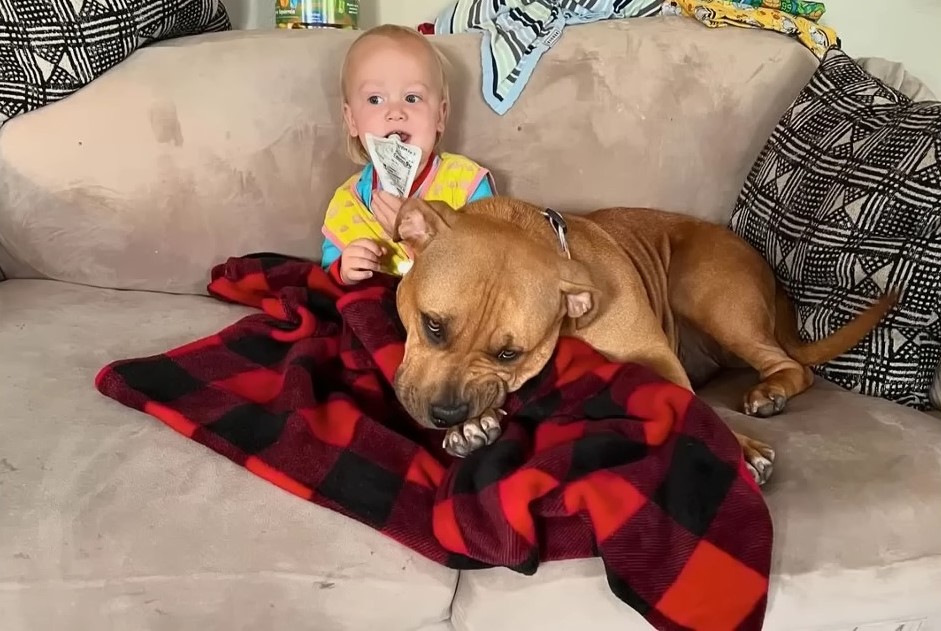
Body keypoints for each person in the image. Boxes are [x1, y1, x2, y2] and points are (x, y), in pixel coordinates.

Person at [321, 24, 496, 285]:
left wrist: (422, 238)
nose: (395, 112)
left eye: (412, 98)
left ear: (440, 115)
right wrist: (344, 271)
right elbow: (326, 277)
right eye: (375, 100)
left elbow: (489, 261)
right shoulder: (347, 202)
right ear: (351, 120)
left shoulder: (466, 185)